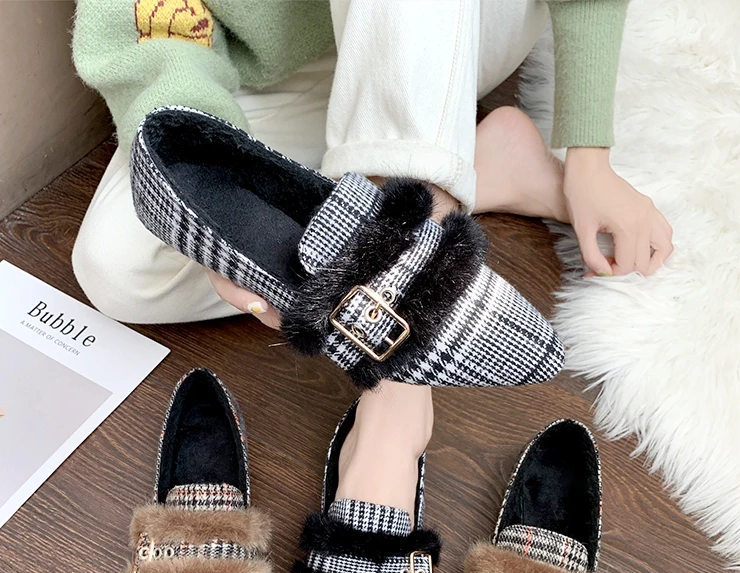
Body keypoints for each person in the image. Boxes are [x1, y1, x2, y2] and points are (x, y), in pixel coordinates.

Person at [72, 0, 673, 521]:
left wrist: (590, 156)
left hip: (448, 26)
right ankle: (473, 171)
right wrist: (219, 200)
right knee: (119, 267)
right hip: (289, 64)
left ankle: (396, 394)